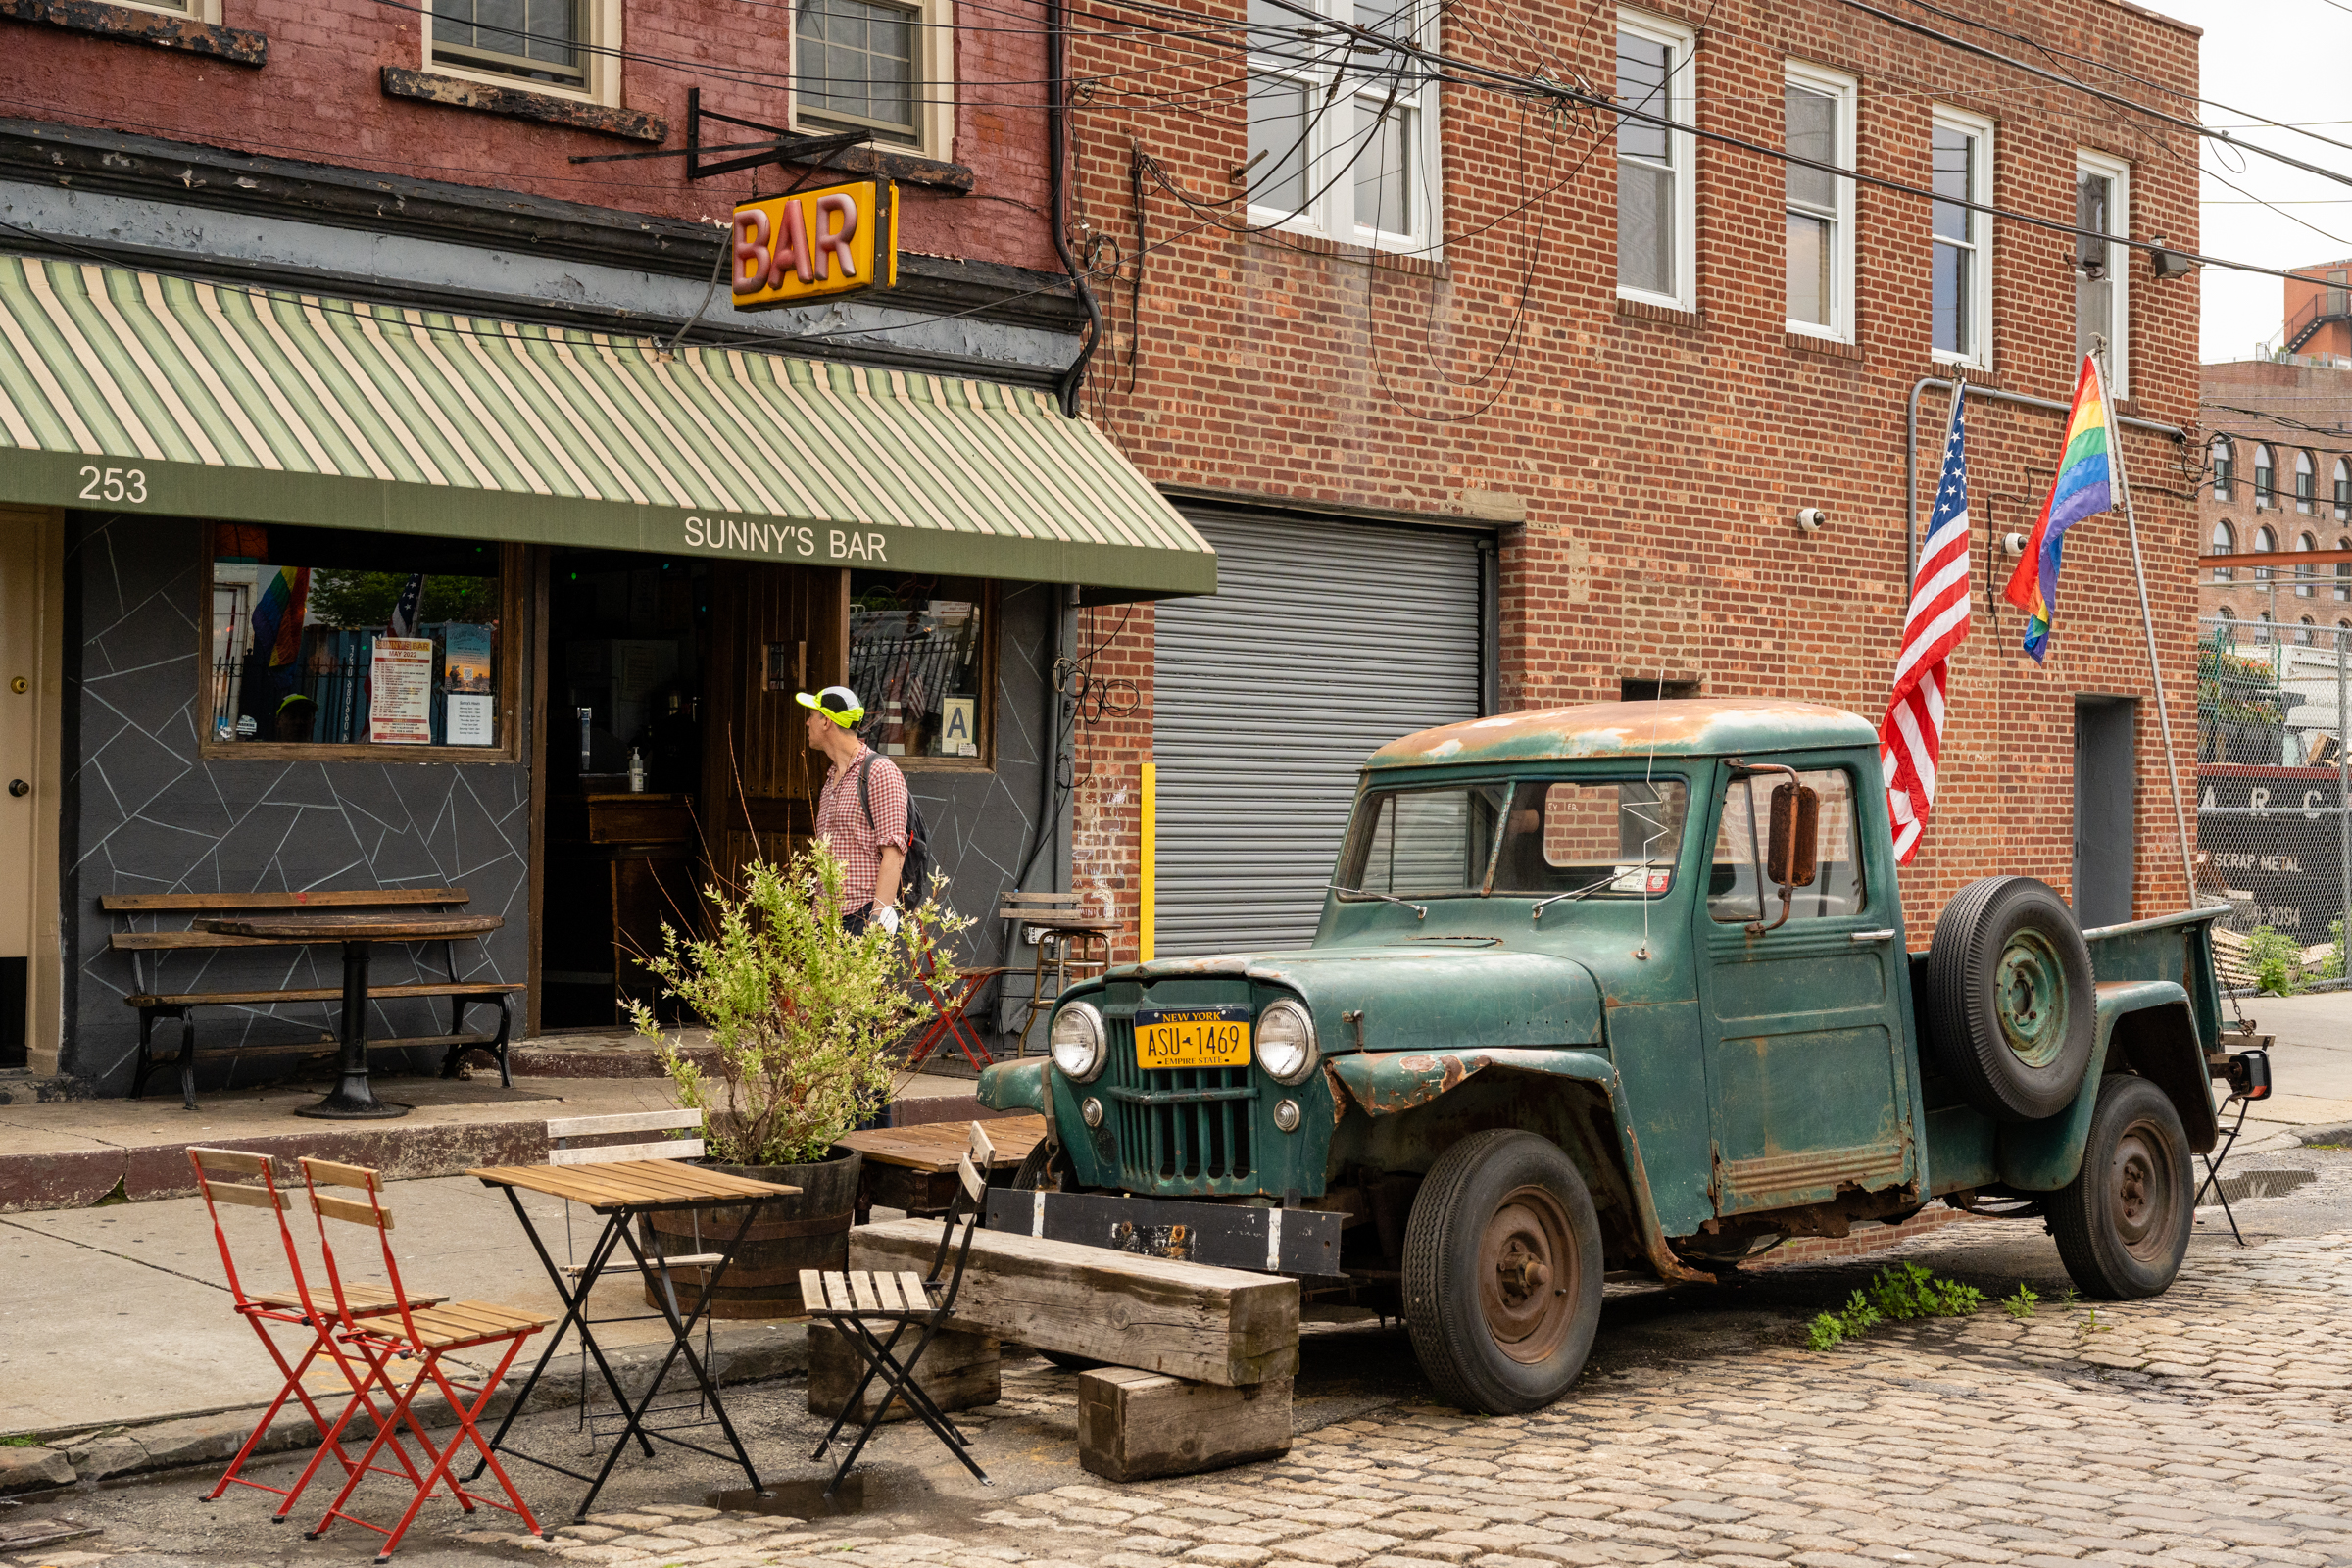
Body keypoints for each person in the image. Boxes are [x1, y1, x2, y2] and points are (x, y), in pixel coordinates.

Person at [796, 684, 907, 935]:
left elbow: (894, 852)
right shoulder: (832, 778)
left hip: (862, 917)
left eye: (812, 716)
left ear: (826, 721)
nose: (807, 723)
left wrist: (877, 921)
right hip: (825, 920)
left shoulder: (880, 772)